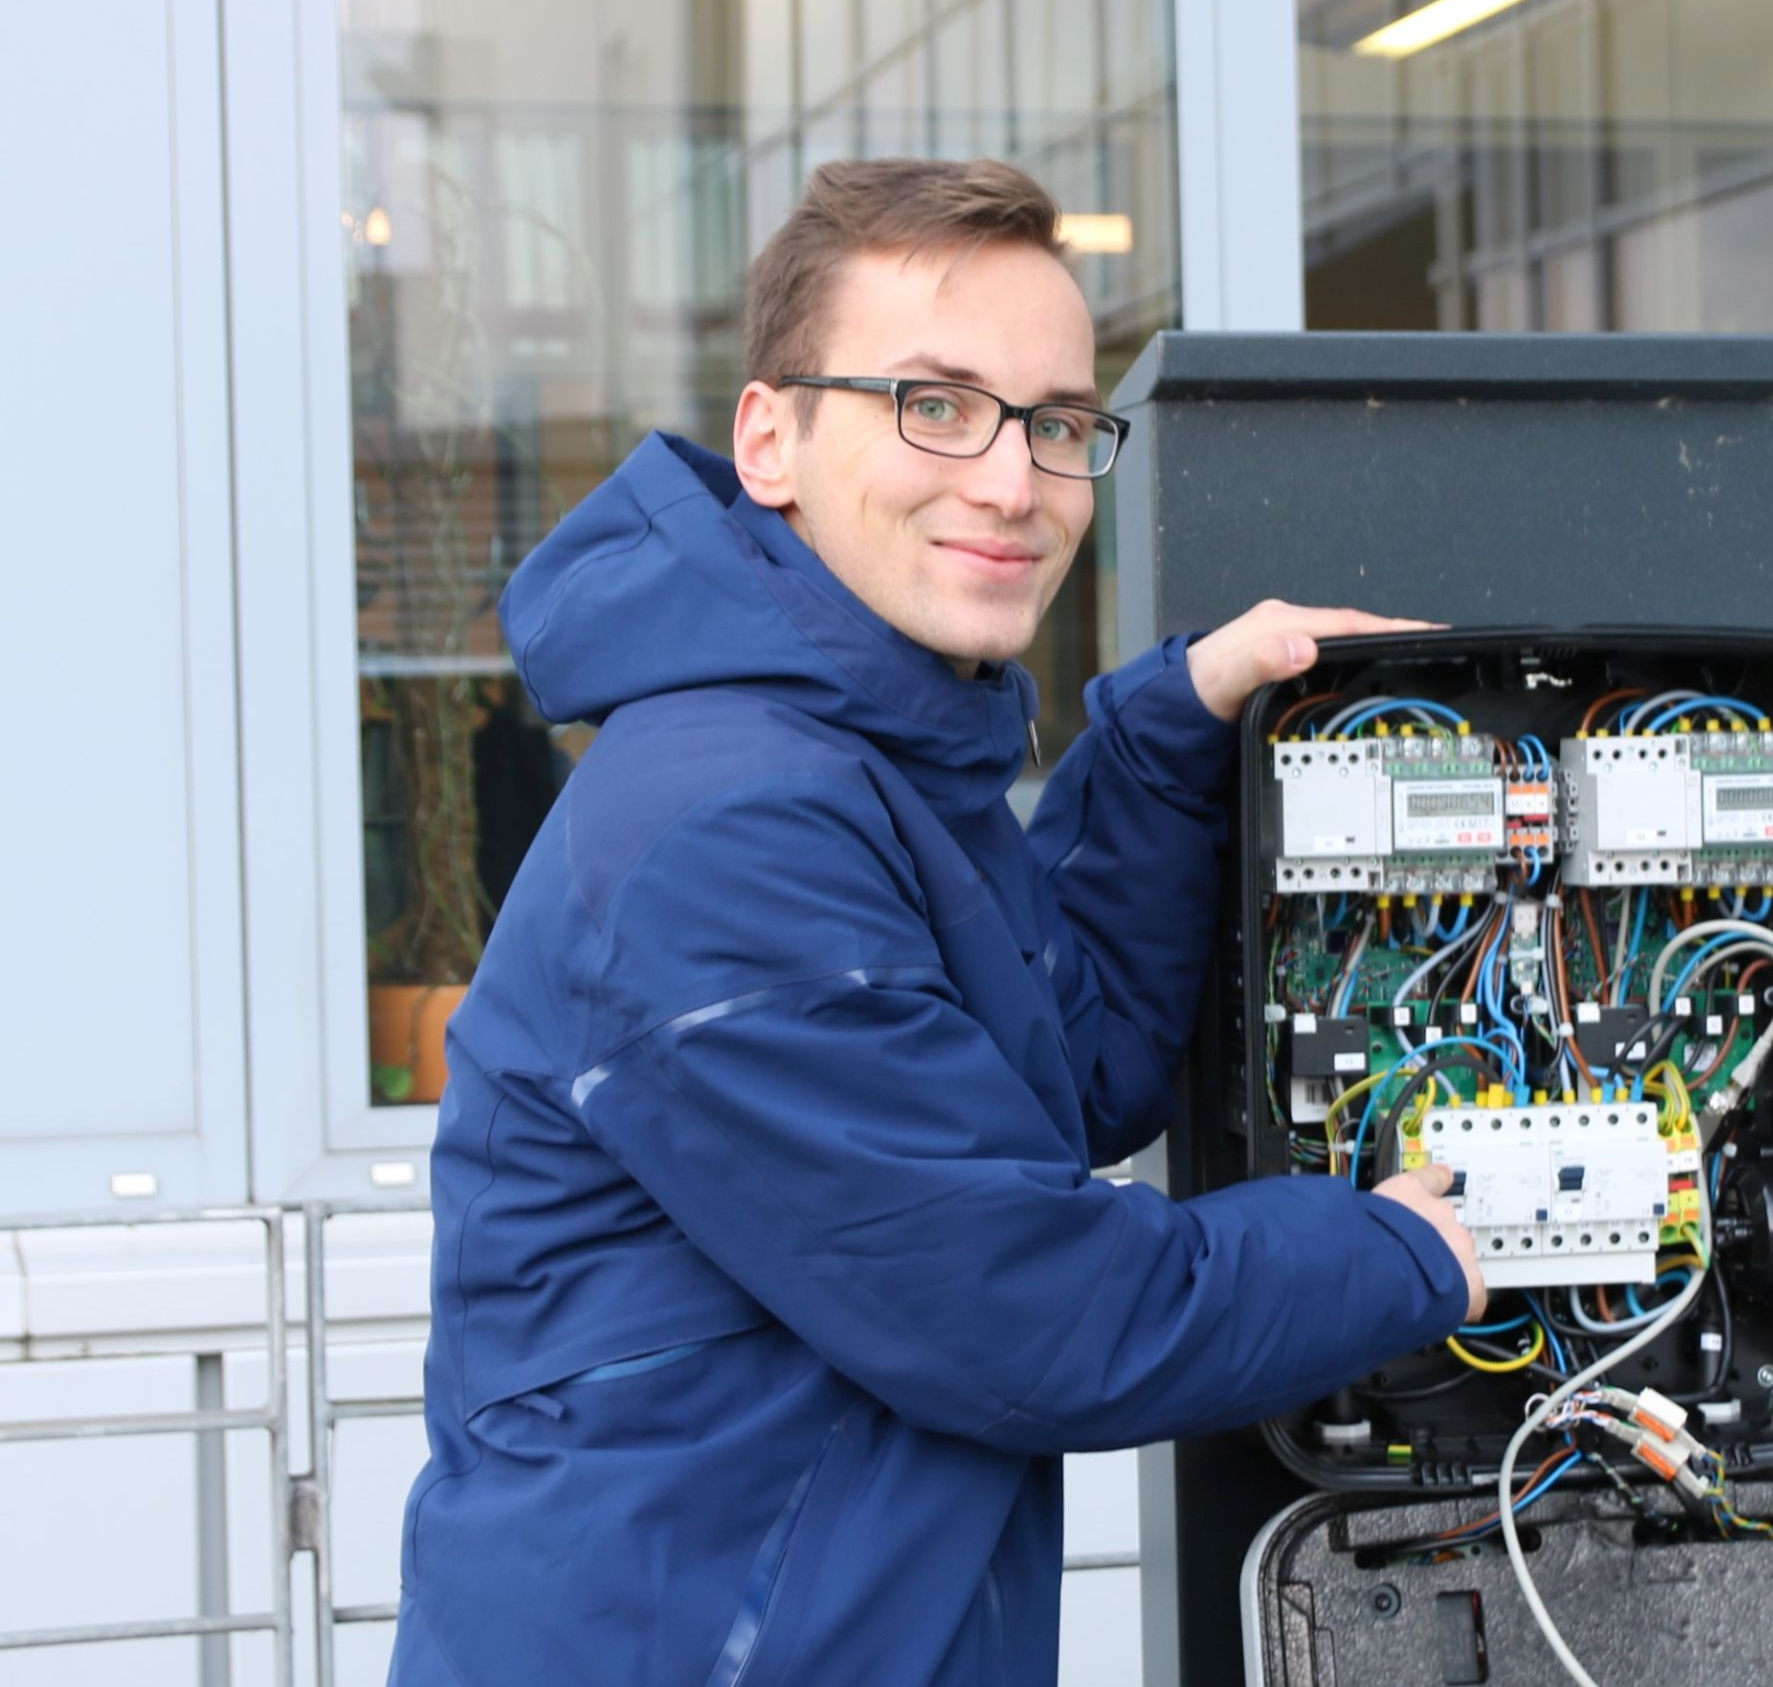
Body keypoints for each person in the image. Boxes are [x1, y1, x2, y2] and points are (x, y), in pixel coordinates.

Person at [386, 157, 1487, 1686]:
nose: (1010, 481)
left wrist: (1173, 727)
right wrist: (1410, 1252)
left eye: (1052, 423)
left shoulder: (884, 750)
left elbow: (1062, 1076)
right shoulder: (731, 825)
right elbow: (1026, 1311)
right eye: (935, 403)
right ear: (770, 438)